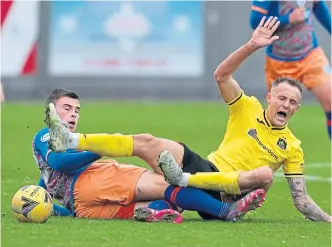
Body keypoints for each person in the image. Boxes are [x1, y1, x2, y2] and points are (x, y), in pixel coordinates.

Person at [46, 16, 331, 223]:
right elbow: (221, 75)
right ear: (270, 97)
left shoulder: (292, 146)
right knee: (147, 141)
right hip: (206, 168)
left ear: (297, 109)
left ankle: (185, 184)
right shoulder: (248, 107)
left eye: (293, 102)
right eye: (282, 98)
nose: (287, 104)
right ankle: (72, 139)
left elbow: (301, 200)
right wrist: (252, 46)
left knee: (265, 176)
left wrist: (327, 219)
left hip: (226, 194)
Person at [35, 88, 265, 223]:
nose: (73, 114)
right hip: (93, 180)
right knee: (164, 183)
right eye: (67, 108)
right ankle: (226, 211)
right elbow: (59, 162)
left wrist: (52, 208)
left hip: (83, 208)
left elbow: (47, 177)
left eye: (77, 110)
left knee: (155, 206)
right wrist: (101, 149)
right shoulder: (46, 133)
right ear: (51, 111)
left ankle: (157, 211)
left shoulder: (46, 144)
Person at [250, 0, 331, 140]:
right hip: (279, 61)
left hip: (311, 54)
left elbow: (317, 4)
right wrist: (288, 19)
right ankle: (267, 158)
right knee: (275, 117)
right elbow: (256, 21)